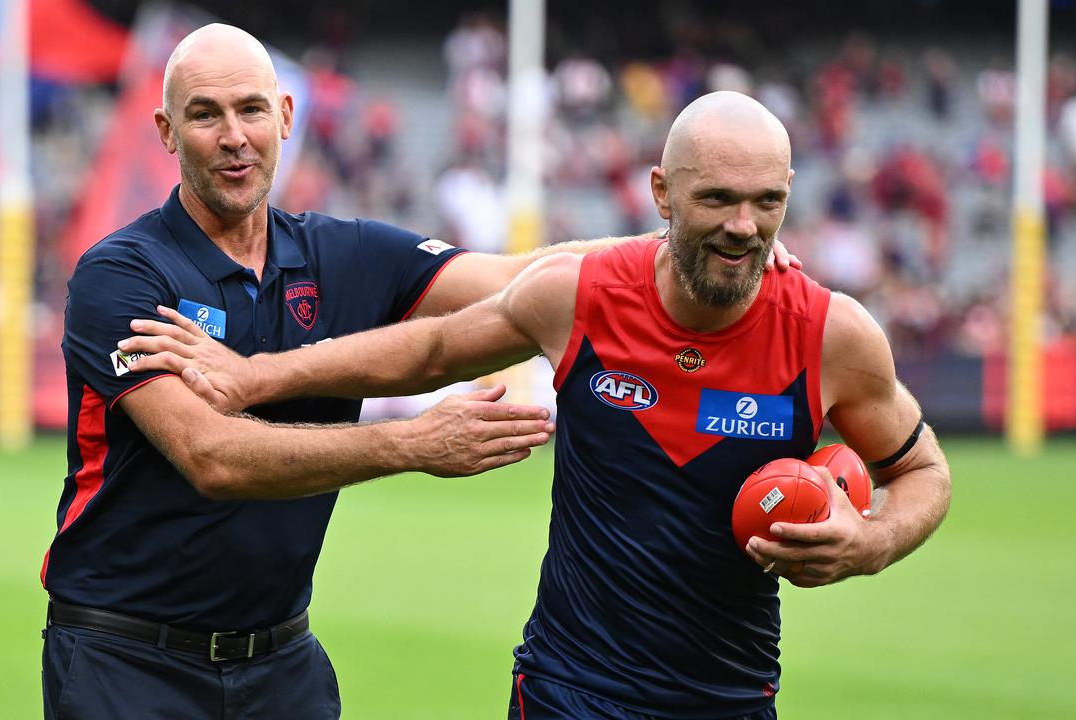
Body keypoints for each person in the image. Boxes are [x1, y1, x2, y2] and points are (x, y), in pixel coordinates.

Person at [44, 23, 802, 720]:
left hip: (279, 664)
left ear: (286, 115)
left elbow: (518, 278)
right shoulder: (123, 275)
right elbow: (210, 455)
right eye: (205, 115)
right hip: (125, 658)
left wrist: (696, 240)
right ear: (166, 132)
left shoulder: (341, 254)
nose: (234, 137)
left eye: (251, 110)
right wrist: (411, 443)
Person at [123, 91, 951, 719]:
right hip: (567, 691)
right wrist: (254, 377)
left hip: (731, 697)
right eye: (718, 200)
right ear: (662, 194)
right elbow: (431, 349)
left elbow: (922, 472)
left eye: (767, 202)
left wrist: (871, 542)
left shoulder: (832, 335)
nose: (744, 226)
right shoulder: (580, 295)